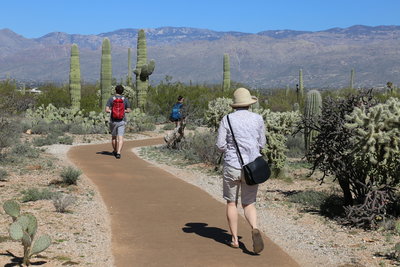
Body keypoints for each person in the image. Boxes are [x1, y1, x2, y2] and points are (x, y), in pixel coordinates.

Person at [216, 87, 266, 254]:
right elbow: (262, 143)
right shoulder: (258, 119)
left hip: (232, 166)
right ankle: (255, 227)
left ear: (235, 105)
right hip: (252, 167)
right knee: (249, 203)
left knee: (231, 202)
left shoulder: (227, 119)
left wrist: (230, 150)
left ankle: (235, 239)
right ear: (249, 104)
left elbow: (220, 145)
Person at [105, 85, 132, 159]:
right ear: (122, 91)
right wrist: (123, 111)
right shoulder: (125, 99)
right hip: (122, 121)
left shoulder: (111, 99)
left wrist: (112, 111)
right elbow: (129, 110)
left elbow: (106, 109)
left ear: (115, 90)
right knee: (121, 137)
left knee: (114, 137)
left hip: (113, 121)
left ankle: (115, 150)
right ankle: (119, 153)